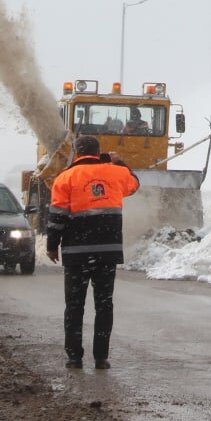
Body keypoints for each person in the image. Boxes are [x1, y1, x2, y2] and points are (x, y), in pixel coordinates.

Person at [46, 134, 140, 370]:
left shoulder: (64, 178)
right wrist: (119, 162)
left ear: (77, 153)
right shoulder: (116, 173)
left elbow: (57, 217)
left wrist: (51, 245)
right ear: (99, 153)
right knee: (104, 305)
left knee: (75, 306)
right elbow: (134, 183)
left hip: (76, 254)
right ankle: (101, 357)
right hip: (108, 252)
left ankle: (74, 357)